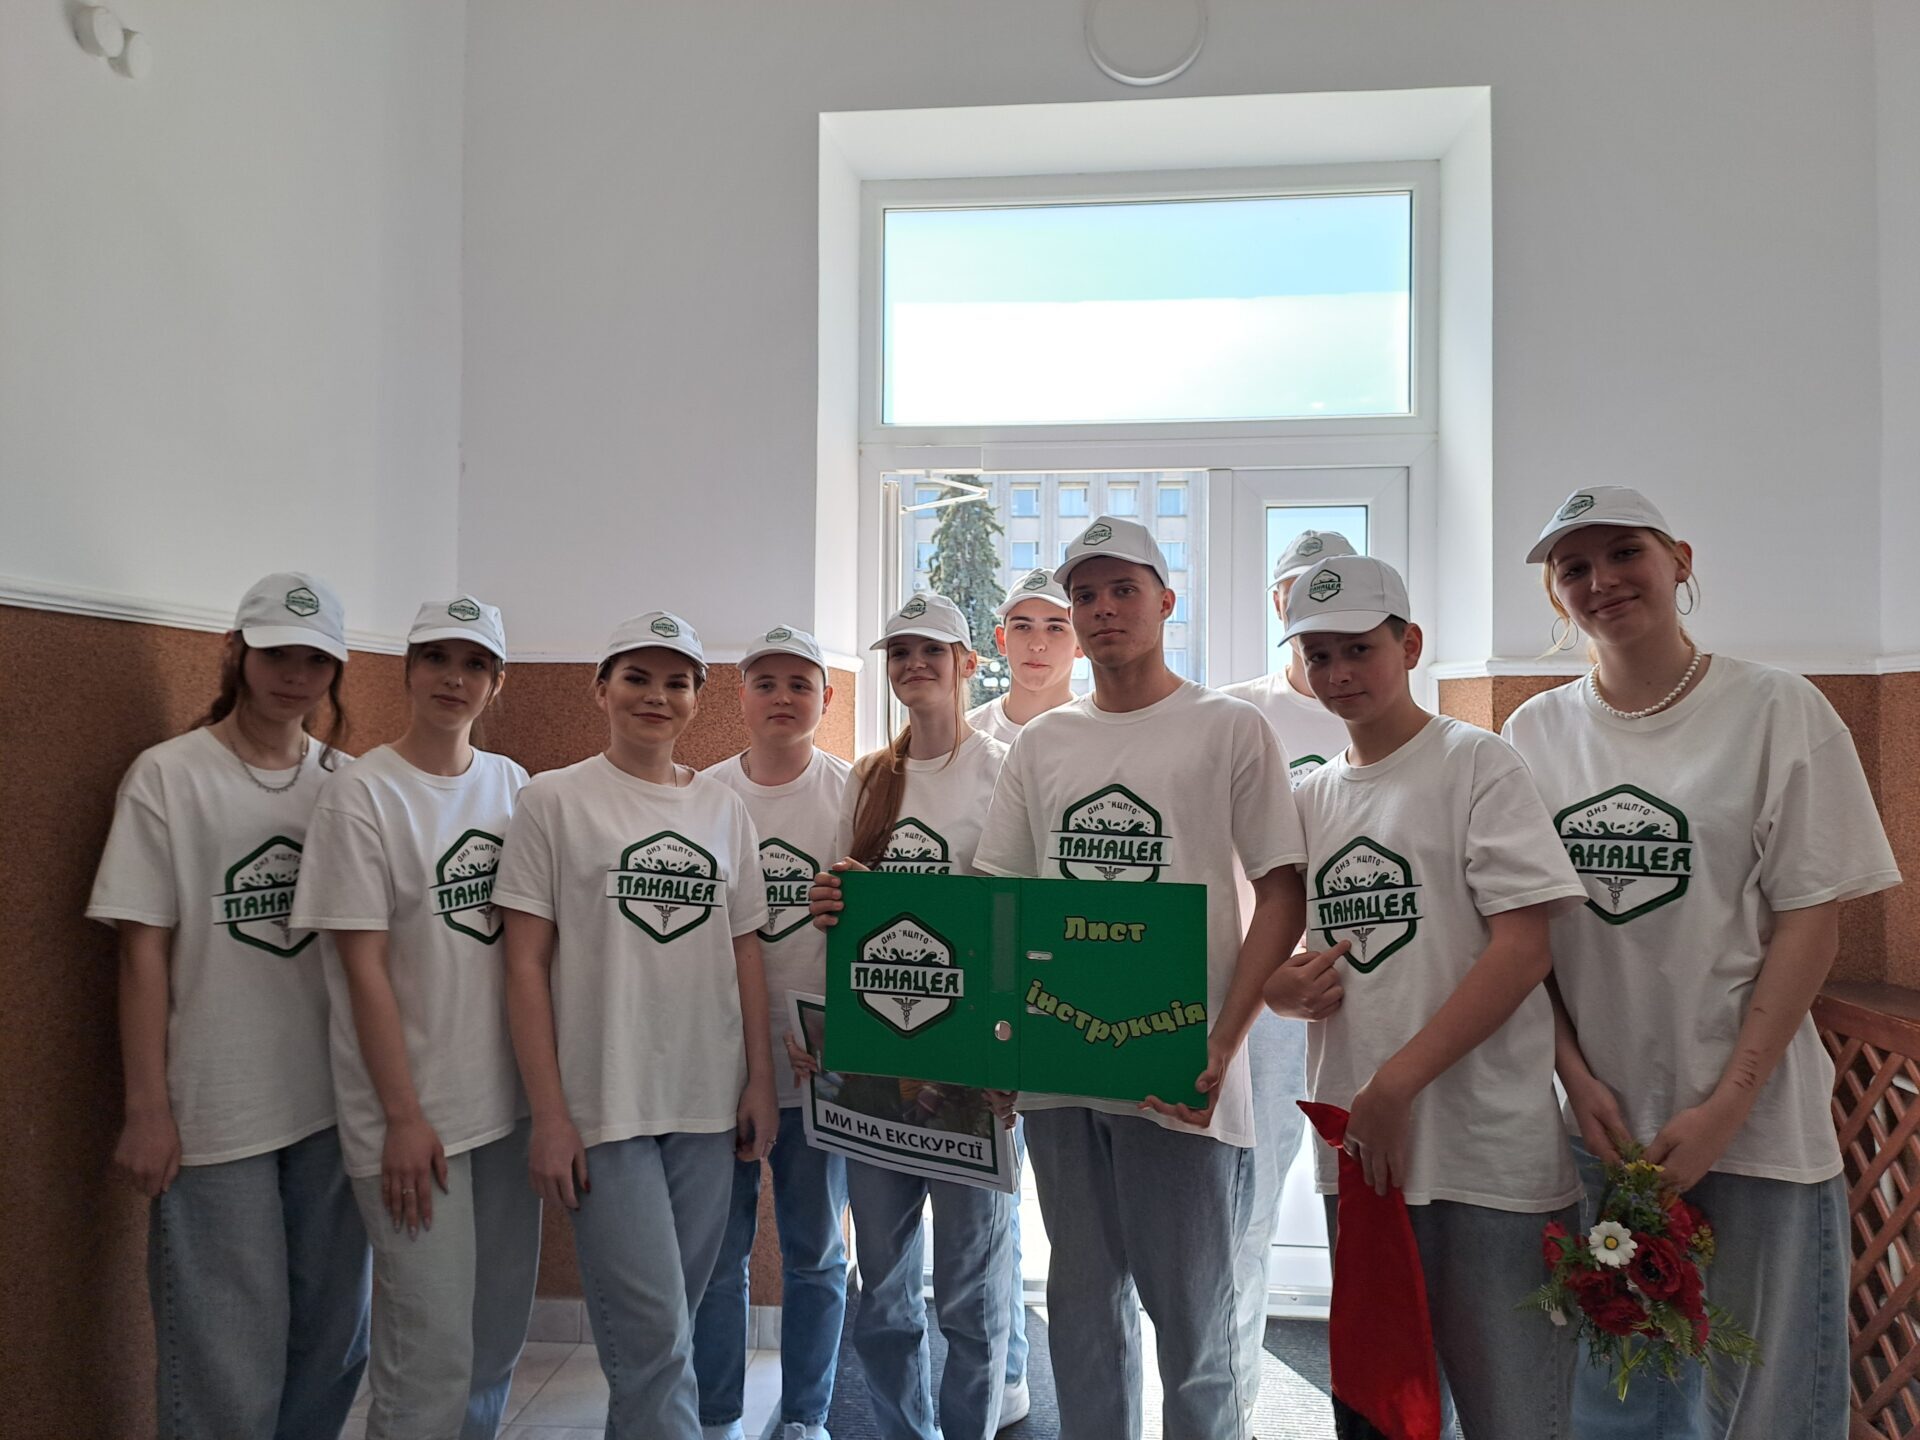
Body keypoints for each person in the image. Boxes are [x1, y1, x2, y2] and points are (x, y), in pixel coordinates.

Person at [1503, 486, 1901, 1440]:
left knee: (1764, 1404)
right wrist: (1573, 1077)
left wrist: (1729, 1104)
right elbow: (1522, 937)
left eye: (1624, 553)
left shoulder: (1777, 709)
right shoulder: (1532, 734)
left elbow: (1811, 922)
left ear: (1679, 560)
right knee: (1612, 1401)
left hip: (1754, 1128)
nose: (1601, 580)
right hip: (1597, 1132)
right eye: (1574, 568)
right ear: (1557, 595)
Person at [969, 516, 1310, 1440]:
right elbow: (1002, 901)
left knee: (1195, 1328)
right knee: (1082, 1314)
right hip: (1061, 1069)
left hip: (1181, 1073)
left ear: (1166, 601)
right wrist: (999, 1041)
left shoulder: (1228, 728)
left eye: (1124, 590)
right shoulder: (1044, 744)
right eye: (1085, 595)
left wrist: (1226, 1039)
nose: (1103, 609)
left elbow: (1282, 891)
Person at [1274, 554, 1587, 1440]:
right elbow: (1281, 948)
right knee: (1382, 1412)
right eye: (1319, 655)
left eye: (1360, 650)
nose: (1339, 673)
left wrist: (1396, 1084)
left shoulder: (1476, 762)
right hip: (1364, 1157)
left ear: (1409, 645)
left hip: (1483, 1153)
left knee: (1513, 1413)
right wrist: (1280, 987)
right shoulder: (1309, 797)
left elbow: (1523, 950)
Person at [87, 571, 370, 1440]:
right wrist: (147, 1109)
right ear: (235, 652)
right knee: (227, 1363)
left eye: (315, 660)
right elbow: (141, 951)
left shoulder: (349, 783)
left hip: (335, 1105)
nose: (295, 676)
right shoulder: (168, 776)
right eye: (277, 654)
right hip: (217, 1110)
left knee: (335, 1342)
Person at [494, 611, 779, 1440]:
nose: (657, 696)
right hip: (603, 1106)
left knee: (666, 1331)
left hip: (706, 1105)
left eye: (676, 682)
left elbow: (746, 952)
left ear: (696, 698)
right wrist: (549, 1115)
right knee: (652, 1337)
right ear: (601, 689)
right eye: (637, 678)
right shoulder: (551, 800)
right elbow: (523, 966)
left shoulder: (723, 809)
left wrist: (759, 1081)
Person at [290, 595, 540, 1440]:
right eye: (436, 659)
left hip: (506, 1110)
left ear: (497, 683)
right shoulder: (362, 794)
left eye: (474, 665)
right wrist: (400, 1117)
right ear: (407, 670)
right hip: (411, 1120)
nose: (453, 679)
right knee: (427, 1357)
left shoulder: (512, 786)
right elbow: (360, 968)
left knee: (493, 1341)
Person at [806, 592, 1015, 1440]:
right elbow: (843, 906)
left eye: (933, 650)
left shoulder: (1007, 769)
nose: (915, 664)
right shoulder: (868, 777)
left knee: (972, 1292)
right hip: (875, 1064)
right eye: (900, 652)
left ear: (969, 664)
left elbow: (1016, 922)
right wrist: (829, 900)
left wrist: (1014, 1059)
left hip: (969, 1069)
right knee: (885, 1292)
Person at [693, 625, 852, 1440]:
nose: (783, 698)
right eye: (766, 683)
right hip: (722, 1067)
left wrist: (841, 1032)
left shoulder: (854, 793)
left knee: (816, 1254)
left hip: (822, 1068)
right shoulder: (703, 795)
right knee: (716, 1258)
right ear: (741, 696)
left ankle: (806, 1417)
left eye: (800, 683)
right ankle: (717, 1415)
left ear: (827, 696)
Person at [1217, 529, 1359, 1430]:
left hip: (1365, 1001)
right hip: (1263, 1002)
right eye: (1302, 588)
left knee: (1367, 1212)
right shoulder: (1235, 716)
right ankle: (1231, 1405)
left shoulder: (1382, 706)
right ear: (1279, 604)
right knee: (1247, 1210)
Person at [963, 566, 1081, 1427]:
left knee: (1075, 1209)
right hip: (986, 999)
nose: (1038, 643)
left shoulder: (1097, 731)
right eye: (1023, 626)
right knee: (991, 1199)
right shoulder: (964, 738)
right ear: (999, 640)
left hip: (1073, 997)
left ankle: (1087, 1377)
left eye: (1056, 625)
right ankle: (1006, 1372)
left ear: (1078, 641)